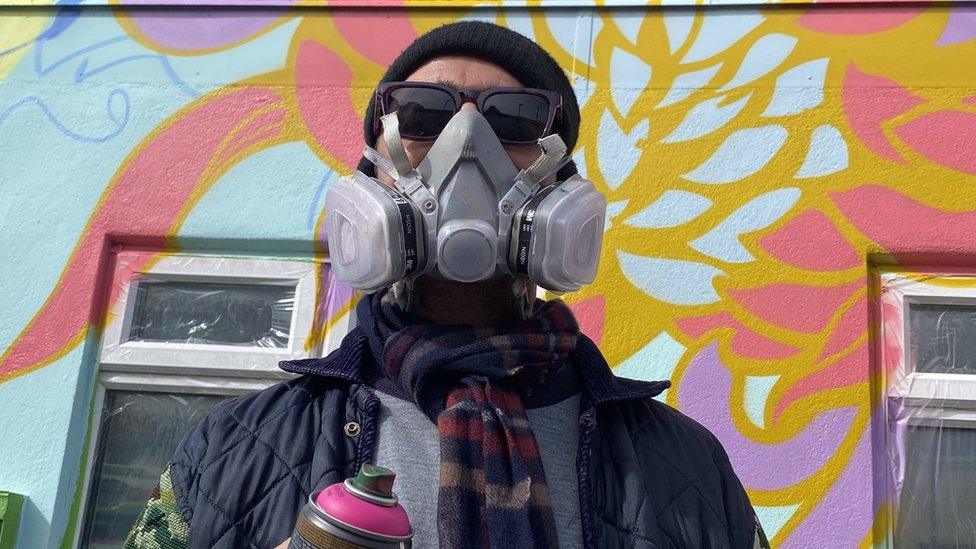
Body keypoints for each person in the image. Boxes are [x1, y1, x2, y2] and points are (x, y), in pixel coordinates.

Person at [126, 21, 769, 549]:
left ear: (559, 183)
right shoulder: (238, 446)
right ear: (378, 172)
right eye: (421, 113)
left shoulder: (685, 467)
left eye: (513, 121)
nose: (465, 144)